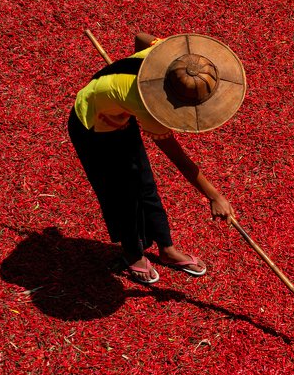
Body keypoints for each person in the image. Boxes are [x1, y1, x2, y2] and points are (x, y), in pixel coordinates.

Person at [69, 32, 246, 283]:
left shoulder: (169, 58)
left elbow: (141, 38)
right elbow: (179, 160)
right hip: (92, 127)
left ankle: (167, 249)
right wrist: (214, 196)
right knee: (122, 194)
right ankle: (132, 255)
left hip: (123, 115)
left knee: (145, 183)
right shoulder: (147, 106)